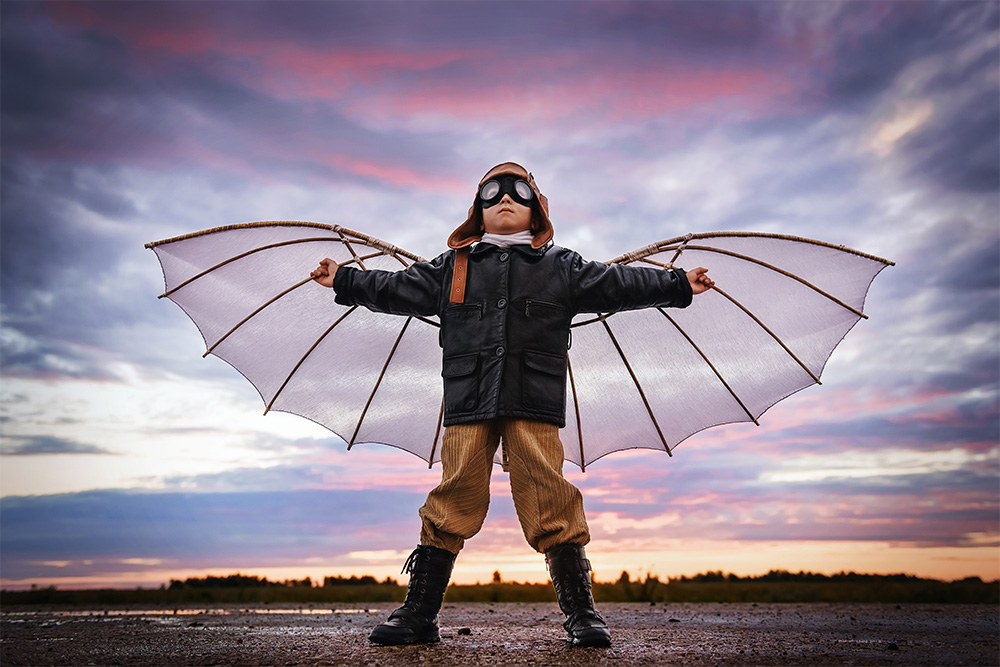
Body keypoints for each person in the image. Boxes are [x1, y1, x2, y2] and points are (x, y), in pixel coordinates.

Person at [311, 162, 713, 648]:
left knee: (548, 490)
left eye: (519, 191)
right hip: (468, 397)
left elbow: (618, 284)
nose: (505, 197)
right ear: (476, 212)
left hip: (533, 397)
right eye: (492, 192)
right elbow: (395, 289)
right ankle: (419, 614)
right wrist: (346, 280)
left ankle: (582, 613)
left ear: (537, 211)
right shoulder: (452, 267)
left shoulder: (563, 266)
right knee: (455, 490)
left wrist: (676, 284)